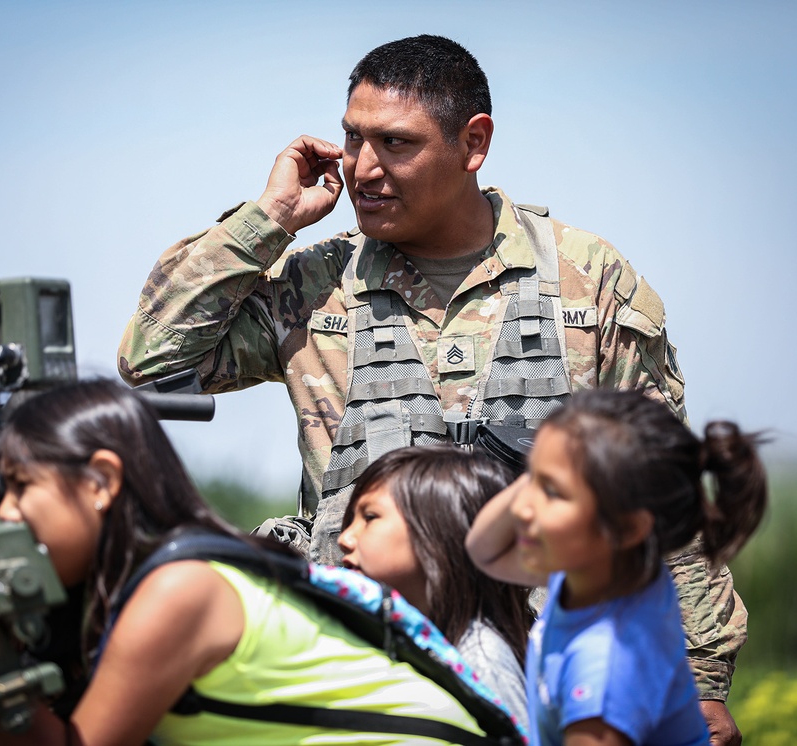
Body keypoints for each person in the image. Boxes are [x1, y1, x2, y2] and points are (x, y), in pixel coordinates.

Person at [117, 34, 743, 741]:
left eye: (396, 143)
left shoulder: (586, 281)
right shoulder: (319, 282)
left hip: (541, 675)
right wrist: (271, 219)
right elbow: (150, 359)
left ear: (473, 143)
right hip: (353, 669)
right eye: (352, 139)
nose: (363, 169)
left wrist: (702, 680)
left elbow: (658, 493)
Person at [0, 379, 507, 745]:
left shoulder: (178, 590)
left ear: (101, 481)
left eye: (21, 487)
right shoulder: (178, 574)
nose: (4, 512)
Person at [465, 389, 768, 746]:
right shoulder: (608, 576)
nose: (523, 508)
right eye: (530, 480)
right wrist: (550, 463)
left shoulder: (602, 676)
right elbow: (482, 550)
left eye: (553, 493)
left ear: (626, 528)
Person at [337, 445, 533, 731]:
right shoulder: (398, 642)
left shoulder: (480, 661)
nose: (345, 538)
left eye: (369, 517)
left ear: (440, 534)